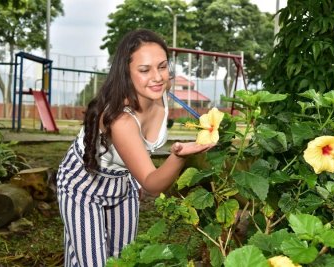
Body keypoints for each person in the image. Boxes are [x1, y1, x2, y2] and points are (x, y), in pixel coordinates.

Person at [56, 29, 215, 267]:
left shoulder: (160, 91)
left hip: (123, 184)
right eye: (144, 70)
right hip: (82, 186)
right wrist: (179, 156)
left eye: (162, 66)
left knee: (124, 260)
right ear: (126, 73)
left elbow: (142, 173)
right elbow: (152, 183)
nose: (157, 77)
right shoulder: (121, 120)